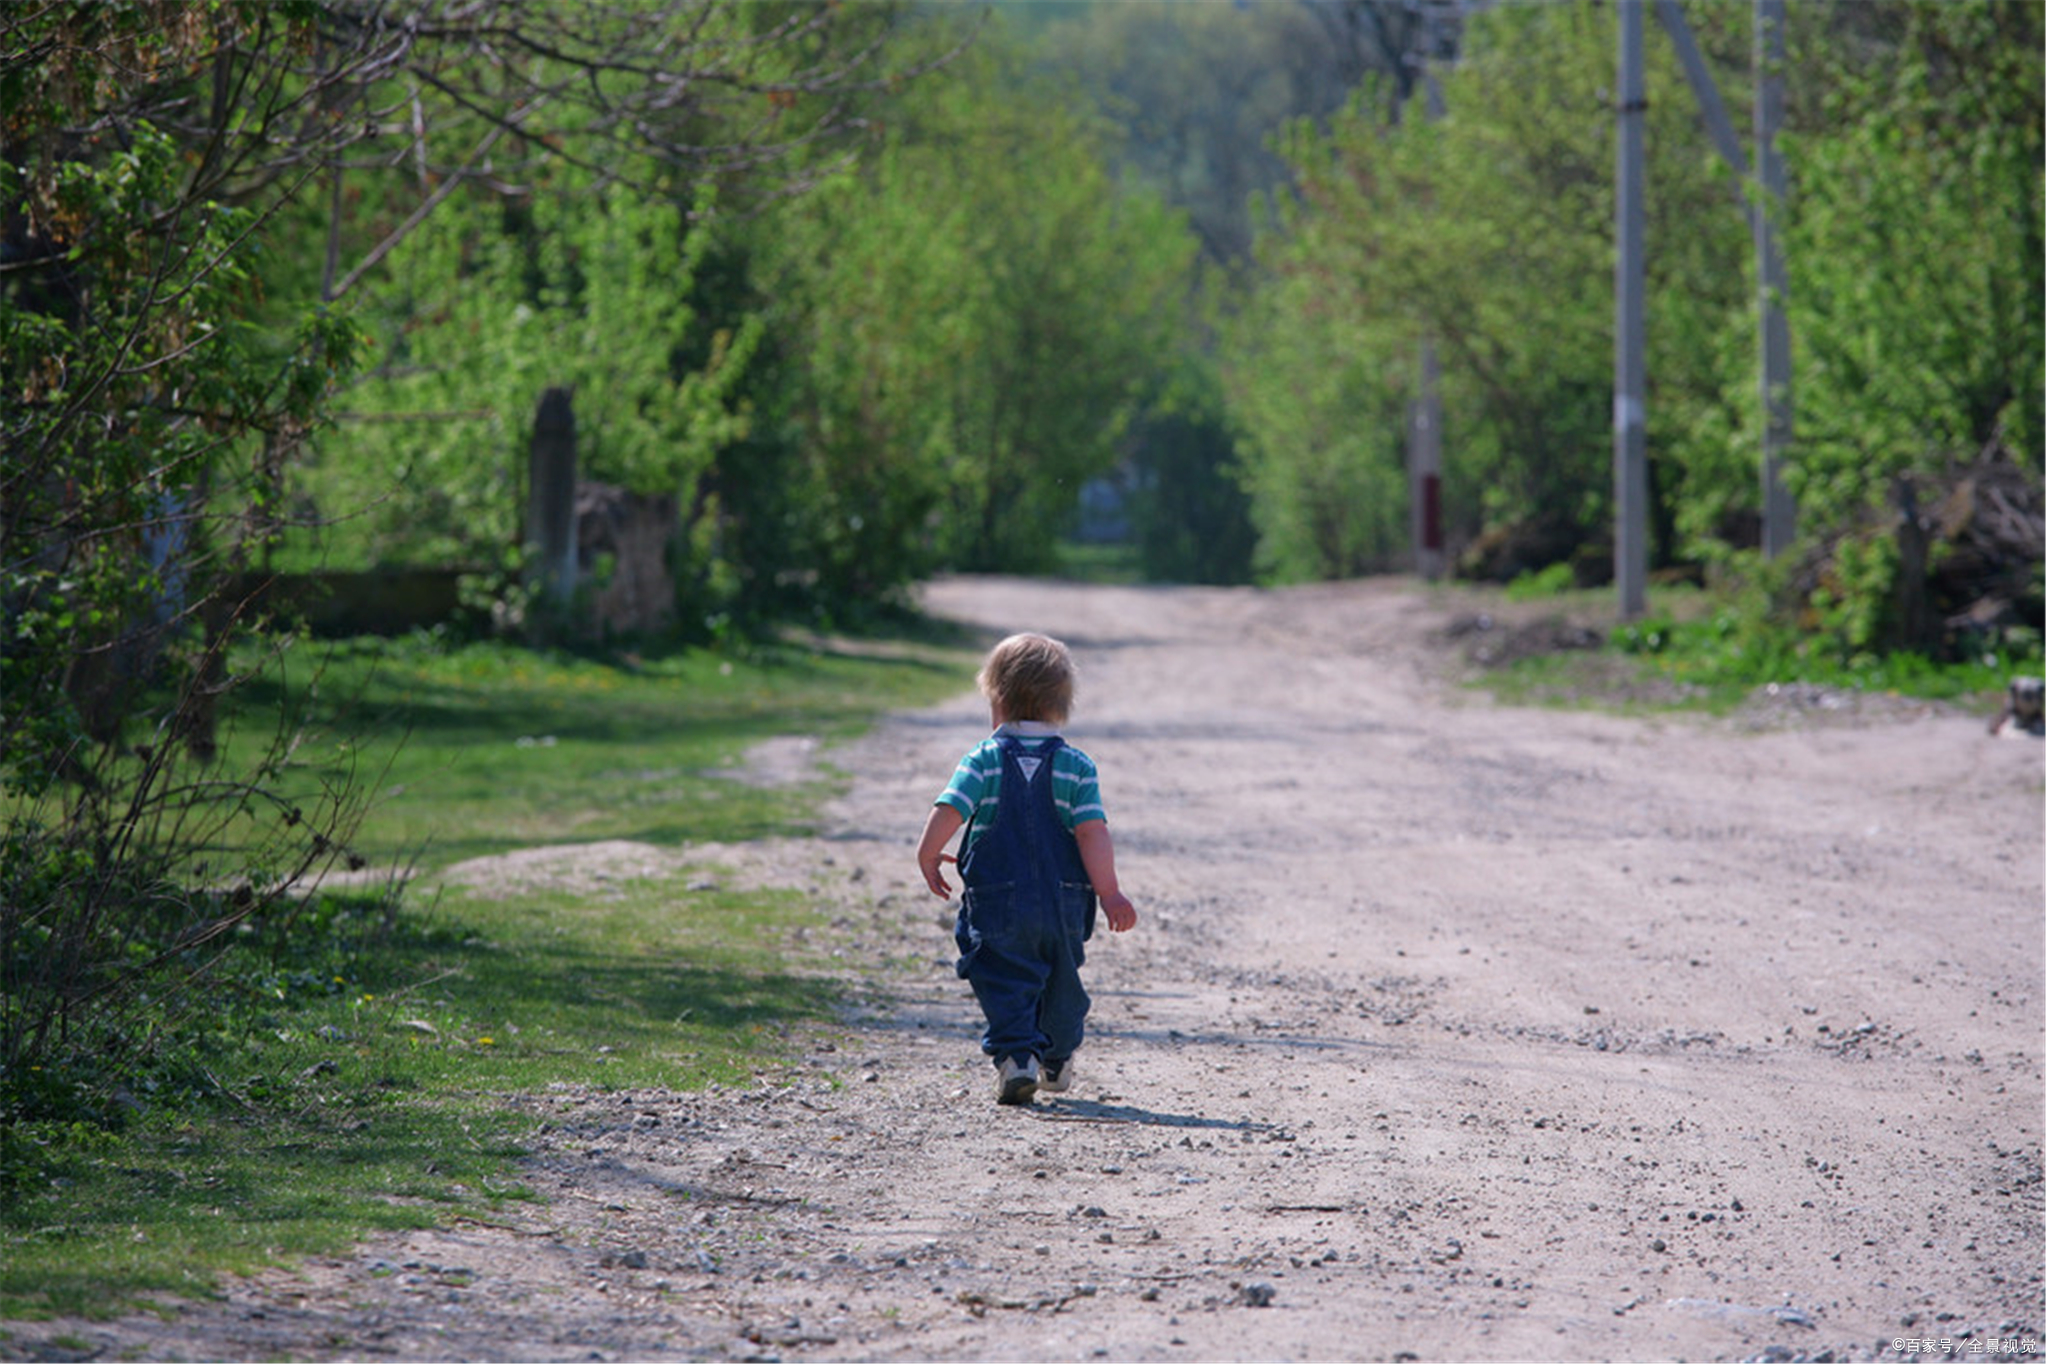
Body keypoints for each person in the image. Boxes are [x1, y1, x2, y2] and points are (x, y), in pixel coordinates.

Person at [916, 632, 1138, 1105]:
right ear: (1062, 706)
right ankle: (1055, 1057)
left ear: (997, 700)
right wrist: (1111, 892)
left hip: (998, 897)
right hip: (1065, 899)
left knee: (1000, 972)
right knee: (1061, 974)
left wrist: (928, 852)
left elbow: (951, 807)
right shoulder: (1077, 767)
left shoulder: (984, 759)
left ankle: (1018, 1058)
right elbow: (1092, 832)